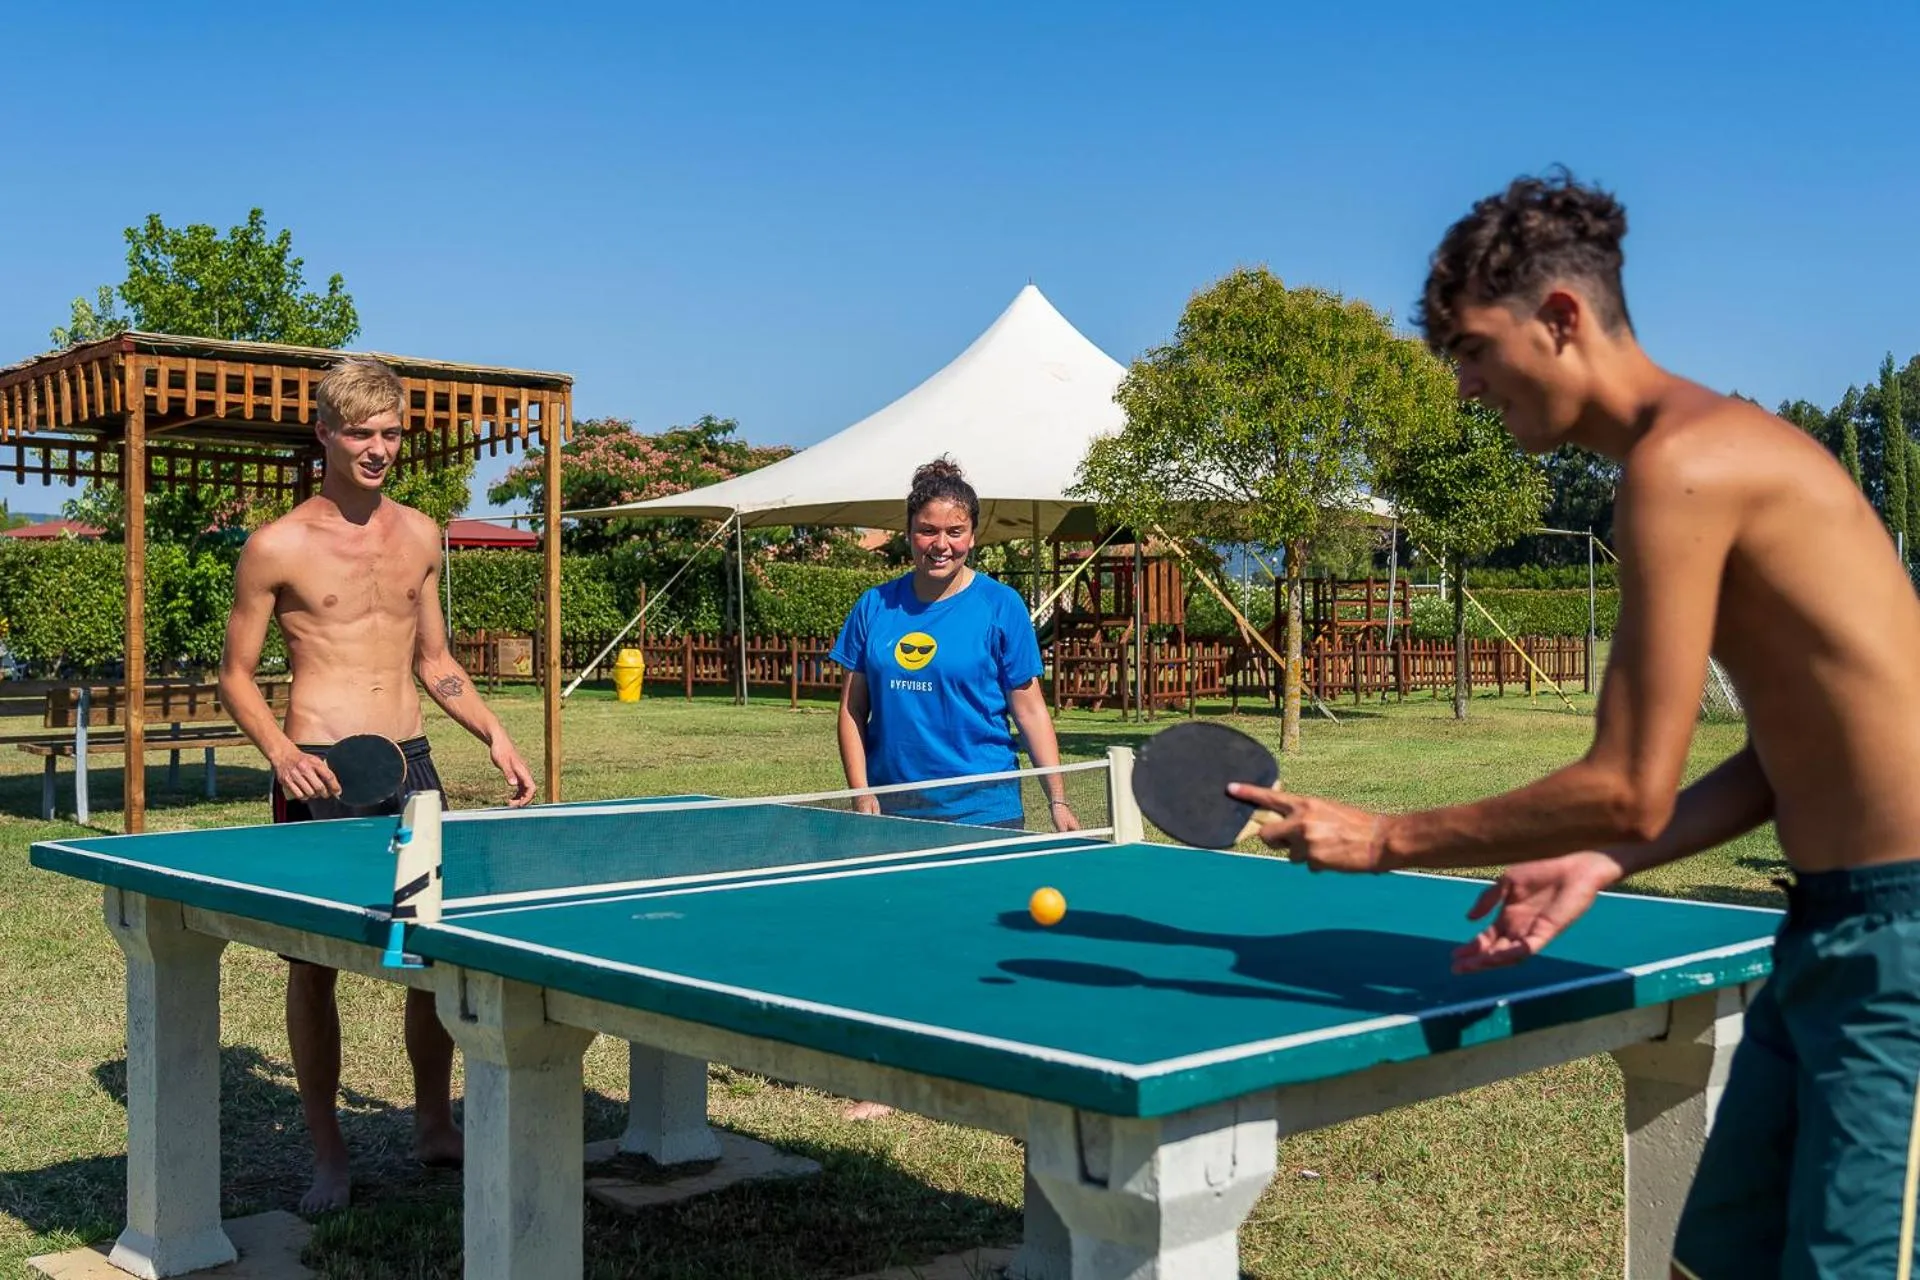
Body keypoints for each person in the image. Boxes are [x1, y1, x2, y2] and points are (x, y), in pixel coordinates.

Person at [1223, 169, 1920, 1278]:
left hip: (1899, 943)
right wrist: (1602, 857)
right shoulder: (1704, 453)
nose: (1463, 386)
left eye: (1471, 349)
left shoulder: (1684, 464)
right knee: (1721, 1257)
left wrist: (1385, 836)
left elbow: (1628, 783)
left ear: (1559, 317)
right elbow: (1791, 758)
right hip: (1837, 924)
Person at [218, 355, 537, 1214]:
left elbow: (436, 660)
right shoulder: (276, 545)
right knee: (313, 966)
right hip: (318, 770)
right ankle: (329, 1152)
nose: (377, 449)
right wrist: (279, 751)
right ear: (324, 433)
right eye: (360, 432)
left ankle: (434, 1125)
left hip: (411, 765)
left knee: (429, 954)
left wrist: (494, 733)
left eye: (390, 433)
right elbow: (236, 675)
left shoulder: (423, 534)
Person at [828, 457, 1079, 1119]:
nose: (941, 543)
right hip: (896, 808)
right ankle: (891, 1077)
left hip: (983, 805)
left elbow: (1030, 709)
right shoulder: (874, 607)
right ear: (908, 531)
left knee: (982, 940)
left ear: (973, 534)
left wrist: (1057, 797)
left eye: (955, 531)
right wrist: (862, 794)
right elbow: (851, 712)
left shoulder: (1000, 607)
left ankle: (997, 1067)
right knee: (899, 940)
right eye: (928, 530)